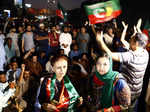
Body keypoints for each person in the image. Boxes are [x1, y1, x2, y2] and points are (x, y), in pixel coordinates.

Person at [96, 20, 149, 111]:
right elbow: (141, 40)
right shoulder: (145, 53)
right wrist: (137, 30)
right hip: (137, 92)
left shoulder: (130, 56)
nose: (129, 40)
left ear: (136, 43)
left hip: (125, 92)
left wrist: (100, 41)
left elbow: (110, 54)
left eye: (131, 40)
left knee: (123, 108)